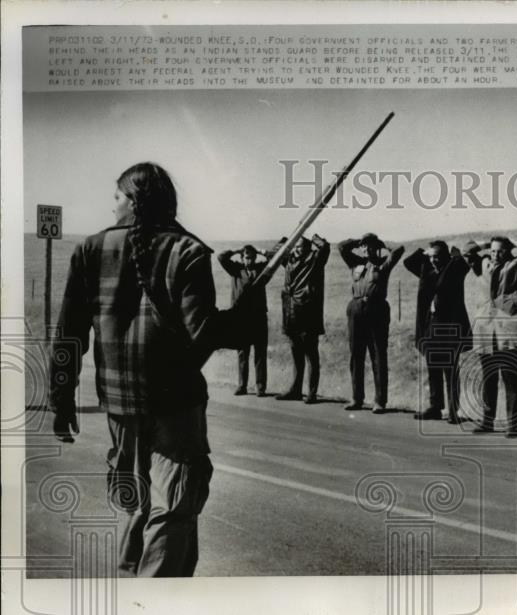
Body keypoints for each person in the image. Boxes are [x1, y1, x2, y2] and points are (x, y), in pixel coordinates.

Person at [48, 162, 249, 577]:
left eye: (117, 197)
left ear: (134, 201)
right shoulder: (188, 251)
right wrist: (246, 313)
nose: (113, 204)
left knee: (139, 500)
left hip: (120, 404)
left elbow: (68, 335)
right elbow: (205, 332)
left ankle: (138, 580)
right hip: (177, 404)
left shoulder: (89, 249)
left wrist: (62, 398)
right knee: (174, 503)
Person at [466, 236, 517, 436]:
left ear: (507, 251)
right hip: (485, 327)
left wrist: (516, 243)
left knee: (510, 377)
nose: (495, 254)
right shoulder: (482, 265)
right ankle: (487, 422)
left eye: (499, 251)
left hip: (507, 328)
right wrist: (486, 244)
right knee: (488, 376)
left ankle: (511, 425)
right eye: (492, 251)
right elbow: (468, 250)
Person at [403, 240, 473, 423]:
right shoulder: (427, 270)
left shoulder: (455, 270)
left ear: (445, 257)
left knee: (450, 371)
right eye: (431, 257)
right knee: (433, 369)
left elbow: (463, 262)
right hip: (431, 326)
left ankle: (452, 410)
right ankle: (435, 407)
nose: (433, 260)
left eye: (437, 257)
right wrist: (424, 252)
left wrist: (454, 254)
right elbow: (408, 262)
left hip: (449, 327)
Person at [338, 233, 404, 413]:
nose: (367, 249)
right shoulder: (355, 262)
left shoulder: (384, 263)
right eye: (364, 246)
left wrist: (383, 243)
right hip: (356, 310)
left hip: (377, 310)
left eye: (370, 246)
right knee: (356, 356)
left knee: (378, 356)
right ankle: (356, 398)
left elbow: (399, 250)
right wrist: (357, 241)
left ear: (377, 247)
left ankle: (380, 401)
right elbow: (342, 247)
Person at [275, 234, 330, 404]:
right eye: (295, 247)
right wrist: (287, 240)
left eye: (301, 247)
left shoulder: (315, 260)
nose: (297, 250)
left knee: (311, 355)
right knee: (296, 354)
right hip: (291, 314)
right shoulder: (289, 261)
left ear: (308, 248)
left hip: (308, 315)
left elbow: (325, 247)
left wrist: (314, 238)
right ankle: (295, 390)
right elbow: (275, 253)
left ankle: (312, 392)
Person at [218, 244, 275, 397]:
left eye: (251, 257)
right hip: (241, 318)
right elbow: (221, 257)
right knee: (243, 353)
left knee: (260, 353)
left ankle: (260, 387)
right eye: (246, 257)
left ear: (255, 258)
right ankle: (242, 385)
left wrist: (262, 251)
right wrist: (235, 251)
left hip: (259, 317)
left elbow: (275, 259)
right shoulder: (235, 270)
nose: (248, 260)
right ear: (242, 258)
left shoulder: (262, 268)